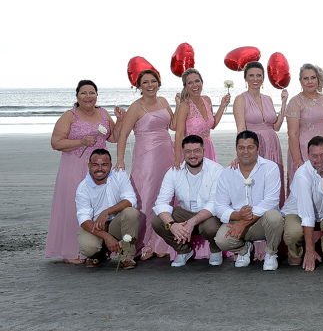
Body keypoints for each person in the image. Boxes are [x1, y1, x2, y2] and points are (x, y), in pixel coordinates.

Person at [47, 80, 121, 263]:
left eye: (92, 93)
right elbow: (56, 142)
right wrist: (80, 142)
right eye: (84, 93)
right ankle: (72, 251)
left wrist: (120, 120)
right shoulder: (69, 116)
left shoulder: (103, 113)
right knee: (76, 207)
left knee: (101, 206)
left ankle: (98, 249)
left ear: (97, 95)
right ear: (77, 96)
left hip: (100, 168)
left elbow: (114, 137)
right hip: (74, 167)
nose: (88, 97)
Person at [113, 69, 174, 260]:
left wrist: (181, 105)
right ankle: (144, 243)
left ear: (159, 83)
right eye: (145, 82)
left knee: (166, 195)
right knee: (146, 196)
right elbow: (123, 134)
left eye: (153, 81)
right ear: (139, 86)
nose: (150, 85)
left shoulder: (164, 101)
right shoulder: (136, 107)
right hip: (146, 157)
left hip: (167, 152)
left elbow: (172, 126)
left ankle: (161, 242)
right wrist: (120, 159)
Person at [213, 131, 284, 271]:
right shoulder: (227, 173)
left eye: (250, 147)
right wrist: (238, 216)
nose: (245, 152)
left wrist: (243, 222)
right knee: (221, 240)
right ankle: (244, 250)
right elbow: (219, 206)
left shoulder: (270, 168)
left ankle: (270, 254)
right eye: (241, 148)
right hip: (238, 221)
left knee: (275, 217)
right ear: (236, 149)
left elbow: (271, 201)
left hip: (263, 221)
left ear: (258, 149)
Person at [151, 135, 225, 267]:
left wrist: (192, 222)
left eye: (197, 151)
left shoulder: (217, 170)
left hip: (208, 216)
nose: (193, 155)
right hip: (185, 213)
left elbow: (214, 204)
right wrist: (172, 225)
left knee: (210, 227)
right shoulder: (173, 171)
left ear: (204, 151)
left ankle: (216, 250)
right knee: (158, 221)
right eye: (188, 151)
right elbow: (161, 203)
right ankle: (184, 250)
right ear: (182, 153)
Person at [282, 136, 323, 271]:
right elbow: (307, 214)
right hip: (297, 213)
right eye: (314, 156)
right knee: (293, 233)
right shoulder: (302, 175)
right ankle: (297, 254)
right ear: (308, 156)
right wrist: (309, 250)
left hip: (322, 214)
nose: (319, 160)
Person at [75, 149, 140, 269]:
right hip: (95, 226)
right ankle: (98, 254)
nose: (100, 169)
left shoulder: (119, 174)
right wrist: (106, 237)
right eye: (95, 165)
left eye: (104, 165)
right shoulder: (82, 188)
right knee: (88, 248)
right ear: (89, 165)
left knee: (131, 213)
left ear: (110, 165)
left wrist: (107, 211)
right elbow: (84, 221)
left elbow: (131, 200)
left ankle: (127, 256)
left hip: (117, 223)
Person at [233, 61, 288, 188]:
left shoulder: (268, 99)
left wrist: (284, 103)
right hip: (254, 145)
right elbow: (241, 129)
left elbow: (276, 127)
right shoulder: (240, 99)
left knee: (273, 181)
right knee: (256, 182)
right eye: (251, 75)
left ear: (263, 78)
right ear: (245, 78)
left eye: (259, 75)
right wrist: (241, 152)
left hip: (273, 145)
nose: (255, 79)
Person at [171, 68, 229, 165]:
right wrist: (177, 159)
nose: (195, 85)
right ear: (185, 87)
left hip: (208, 149)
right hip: (192, 152)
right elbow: (179, 134)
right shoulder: (185, 106)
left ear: (202, 82)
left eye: (197, 81)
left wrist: (222, 105)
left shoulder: (207, 100)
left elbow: (213, 125)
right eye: (190, 83)